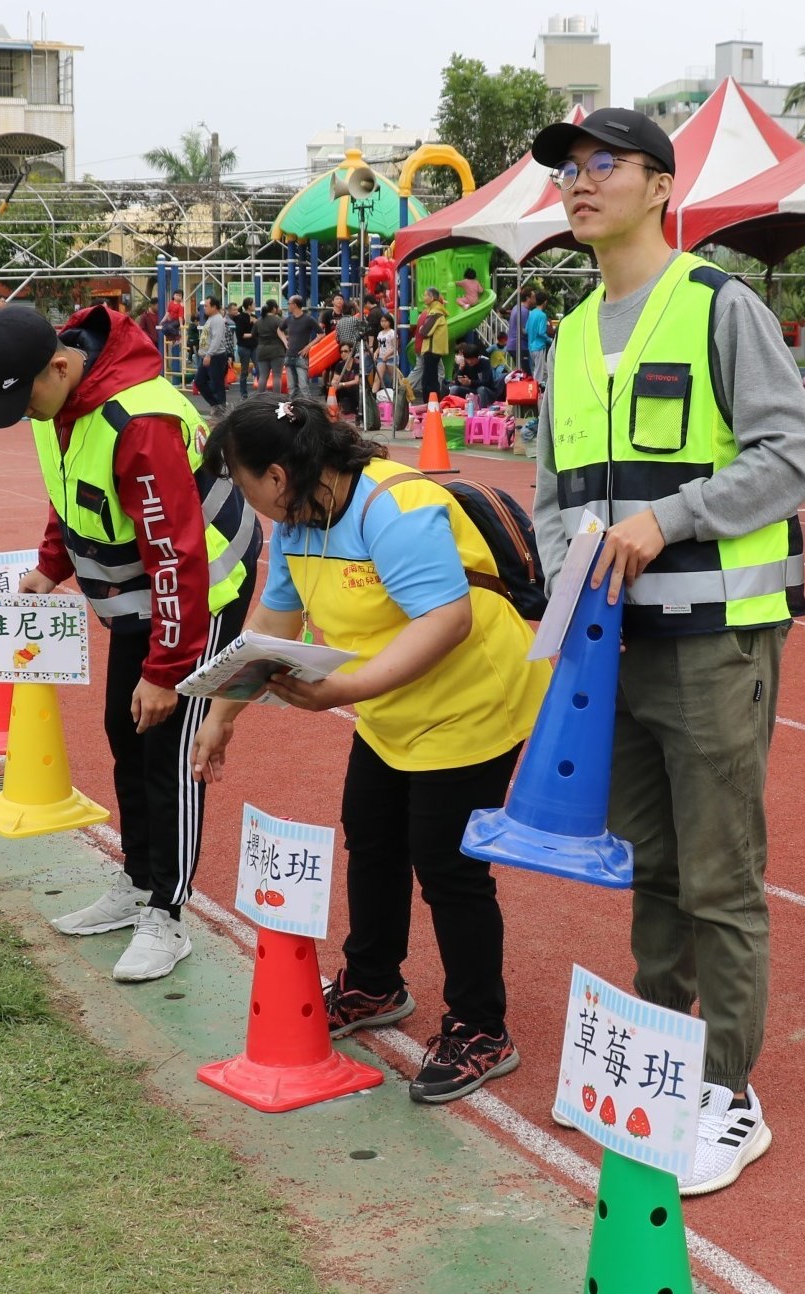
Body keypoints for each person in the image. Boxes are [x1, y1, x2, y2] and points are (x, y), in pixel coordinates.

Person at [529, 107, 805, 1195]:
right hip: (613, 652)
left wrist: (675, 515)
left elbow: (793, 451)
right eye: (568, 169)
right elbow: (555, 491)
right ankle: (665, 1060)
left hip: (714, 639)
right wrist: (567, 587)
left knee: (718, 873)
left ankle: (731, 1094)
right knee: (650, 865)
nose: (578, 182)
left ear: (662, 184)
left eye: (603, 164)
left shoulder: (719, 305)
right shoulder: (566, 335)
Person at [190, 396, 548, 1103]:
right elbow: (274, 618)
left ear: (279, 473)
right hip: (391, 705)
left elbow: (446, 621)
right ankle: (374, 981)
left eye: (243, 479)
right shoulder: (301, 523)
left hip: (472, 699)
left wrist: (340, 691)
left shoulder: (394, 508)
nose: (246, 498)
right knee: (373, 835)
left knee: (448, 864)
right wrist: (223, 711)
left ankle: (482, 1027)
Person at [0, 304, 261, 983]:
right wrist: (50, 566)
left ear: (61, 366)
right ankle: (136, 881)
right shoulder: (59, 406)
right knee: (122, 729)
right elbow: (69, 496)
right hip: (142, 596)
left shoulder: (140, 422)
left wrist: (165, 670)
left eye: (26, 400)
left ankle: (168, 912)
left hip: (199, 591)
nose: (27, 417)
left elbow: (178, 554)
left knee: (169, 752)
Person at [193, 296, 234, 411]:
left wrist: (209, 354)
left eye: (206, 306)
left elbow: (217, 339)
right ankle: (215, 405)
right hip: (208, 355)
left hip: (216, 356)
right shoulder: (211, 318)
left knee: (217, 383)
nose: (204, 308)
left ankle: (220, 407)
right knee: (199, 381)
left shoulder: (217, 319)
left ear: (214, 307)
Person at [412, 287, 449, 401]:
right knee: (430, 378)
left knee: (429, 380)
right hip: (432, 350)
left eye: (425, 295)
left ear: (432, 298)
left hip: (432, 349)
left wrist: (423, 328)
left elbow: (424, 331)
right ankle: (431, 403)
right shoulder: (435, 311)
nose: (424, 298)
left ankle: (431, 403)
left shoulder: (435, 312)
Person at [281, 295, 320, 398]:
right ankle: (292, 407)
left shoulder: (308, 319)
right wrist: (285, 341)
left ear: (294, 305)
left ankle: (309, 408)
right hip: (289, 355)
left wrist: (308, 346)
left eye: (289, 303)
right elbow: (279, 330)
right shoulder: (289, 319)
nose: (288, 305)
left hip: (301, 357)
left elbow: (321, 334)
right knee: (291, 387)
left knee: (303, 387)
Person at [449, 343, 499, 409]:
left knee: (481, 389)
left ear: (478, 356)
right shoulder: (464, 364)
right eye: (467, 359)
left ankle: (482, 410)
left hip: (487, 392)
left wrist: (470, 382)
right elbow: (456, 383)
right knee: (454, 388)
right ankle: (453, 407)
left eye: (472, 359)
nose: (470, 362)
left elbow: (486, 382)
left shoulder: (485, 363)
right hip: (471, 392)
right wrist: (460, 370)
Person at [254, 299, 286, 394]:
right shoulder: (278, 320)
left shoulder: (259, 321)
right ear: (274, 309)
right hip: (277, 351)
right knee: (277, 376)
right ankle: (276, 398)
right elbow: (286, 334)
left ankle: (259, 398)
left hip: (262, 351)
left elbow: (253, 334)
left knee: (263, 376)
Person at [330, 342, 363, 418]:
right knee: (332, 389)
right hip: (345, 391)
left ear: (351, 352)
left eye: (345, 351)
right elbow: (334, 380)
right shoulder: (340, 364)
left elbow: (357, 381)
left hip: (356, 391)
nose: (343, 353)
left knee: (355, 388)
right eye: (341, 352)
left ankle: (358, 409)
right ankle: (335, 410)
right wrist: (334, 384)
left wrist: (342, 384)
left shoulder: (357, 363)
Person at [233, 298, 257, 396]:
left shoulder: (255, 317)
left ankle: (260, 391)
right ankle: (243, 393)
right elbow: (241, 334)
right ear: (249, 306)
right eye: (253, 304)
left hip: (254, 346)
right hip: (244, 346)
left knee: (259, 368)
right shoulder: (241, 317)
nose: (255, 305)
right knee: (244, 371)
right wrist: (253, 334)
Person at [526, 290, 551, 382]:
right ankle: (536, 392)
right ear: (545, 302)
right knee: (538, 373)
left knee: (545, 370)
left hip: (531, 346)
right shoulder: (542, 315)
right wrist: (550, 340)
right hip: (539, 347)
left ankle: (544, 389)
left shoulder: (531, 313)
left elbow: (527, 329)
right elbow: (541, 332)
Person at [505, 286, 532, 372]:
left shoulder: (516, 307)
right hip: (520, 345)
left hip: (512, 345)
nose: (535, 300)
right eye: (534, 298)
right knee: (526, 373)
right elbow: (523, 331)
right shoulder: (524, 311)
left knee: (521, 372)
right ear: (528, 298)